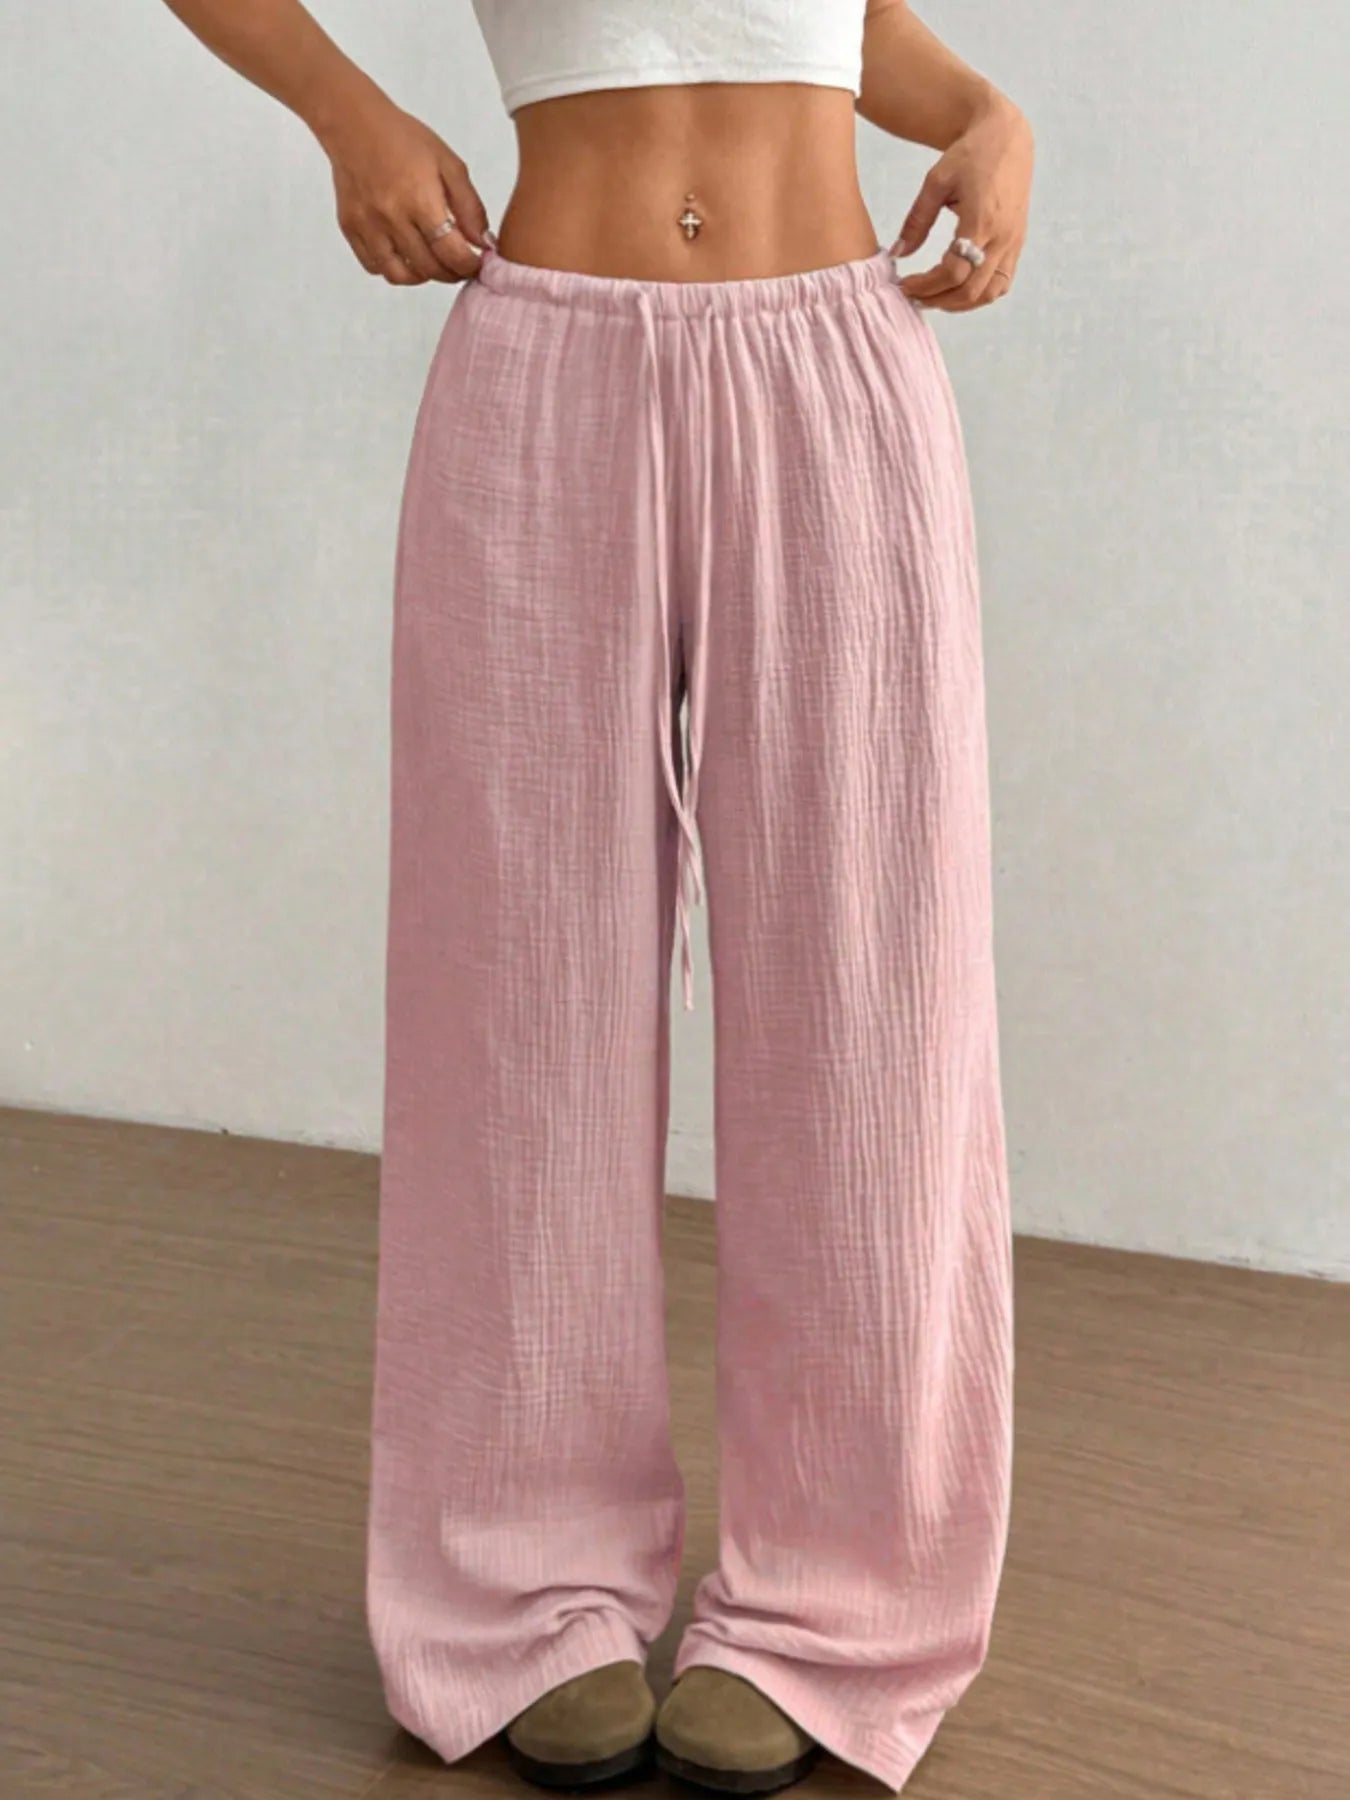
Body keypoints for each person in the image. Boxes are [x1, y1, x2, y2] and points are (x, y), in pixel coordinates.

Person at [162, 2, 1032, 1792]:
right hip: (546, 369)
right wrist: (345, 113)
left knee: (871, 1008)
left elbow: (844, 22)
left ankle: (837, 1605)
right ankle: (517, 1586)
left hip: (836, 372)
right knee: (517, 1005)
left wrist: (982, 110)